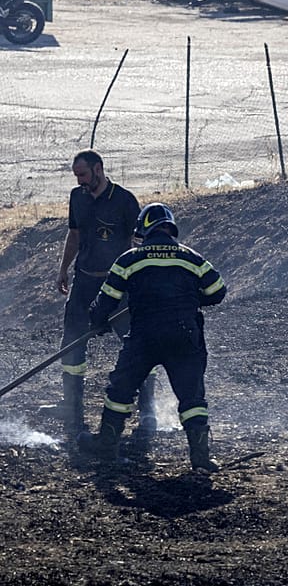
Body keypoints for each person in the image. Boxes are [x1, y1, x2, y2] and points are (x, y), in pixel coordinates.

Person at [77, 203, 226, 472]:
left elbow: (106, 299)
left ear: (144, 230)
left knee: (120, 389)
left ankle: (107, 444)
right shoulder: (191, 257)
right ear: (170, 228)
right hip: (185, 334)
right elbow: (218, 290)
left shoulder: (130, 259)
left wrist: (98, 322)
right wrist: (190, 300)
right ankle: (201, 458)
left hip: (145, 335)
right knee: (192, 397)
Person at [54, 150, 157, 443]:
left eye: (83, 174)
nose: (80, 181)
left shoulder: (125, 200)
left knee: (138, 345)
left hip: (118, 287)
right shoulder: (77, 197)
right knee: (71, 347)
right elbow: (74, 234)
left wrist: (140, 281)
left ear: (98, 169)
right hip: (83, 284)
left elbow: (138, 243)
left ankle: (148, 410)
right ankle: (72, 410)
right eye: (76, 176)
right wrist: (63, 269)